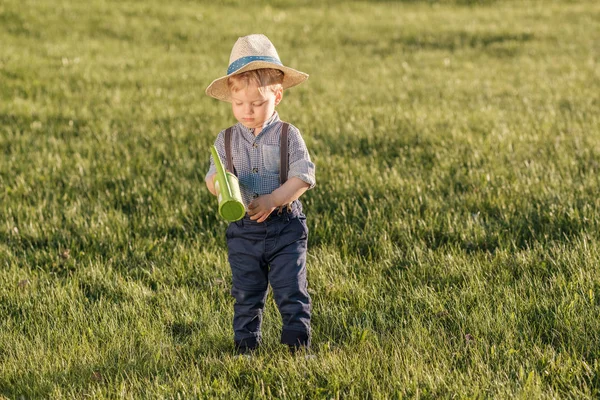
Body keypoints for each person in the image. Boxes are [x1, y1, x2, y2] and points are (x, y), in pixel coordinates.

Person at [204, 34, 316, 354]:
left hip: (285, 227)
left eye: (256, 104)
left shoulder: (287, 135)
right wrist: (220, 185)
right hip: (244, 231)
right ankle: (246, 347)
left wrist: (273, 199)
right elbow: (213, 178)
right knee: (246, 292)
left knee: (290, 289)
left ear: (277, 96)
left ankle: (297, 347)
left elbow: (303, 177)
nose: (247, 111)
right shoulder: (226, 140)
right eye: (239, 104)